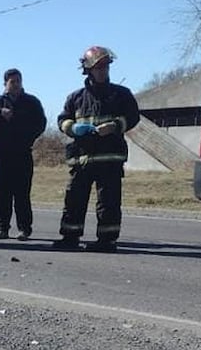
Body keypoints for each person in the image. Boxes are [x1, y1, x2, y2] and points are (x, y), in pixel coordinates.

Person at [52, 46, 140, 252]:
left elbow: (133, 117)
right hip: (82, 158)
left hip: (109, 158)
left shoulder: (121, 94)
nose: (103, 71)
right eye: (98, 67)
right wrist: (73, 128)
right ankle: (70, 237)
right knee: (74, 199)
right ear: (88, 70)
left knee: (108, 202)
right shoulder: (76, 97)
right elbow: (62, 120)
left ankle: (107, 241)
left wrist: (115, 126)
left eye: (106, 67)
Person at [0, 68, 47, 240]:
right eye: (12, 82)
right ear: (5, 84)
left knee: (22, 194)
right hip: (2, 156)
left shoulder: (31, 102)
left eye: (18, 81)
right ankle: (3, 228)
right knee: (3, 193)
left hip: (22, 154)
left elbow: (41, 123)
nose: (15, 85)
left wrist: (28, 137)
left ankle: (25, 229)